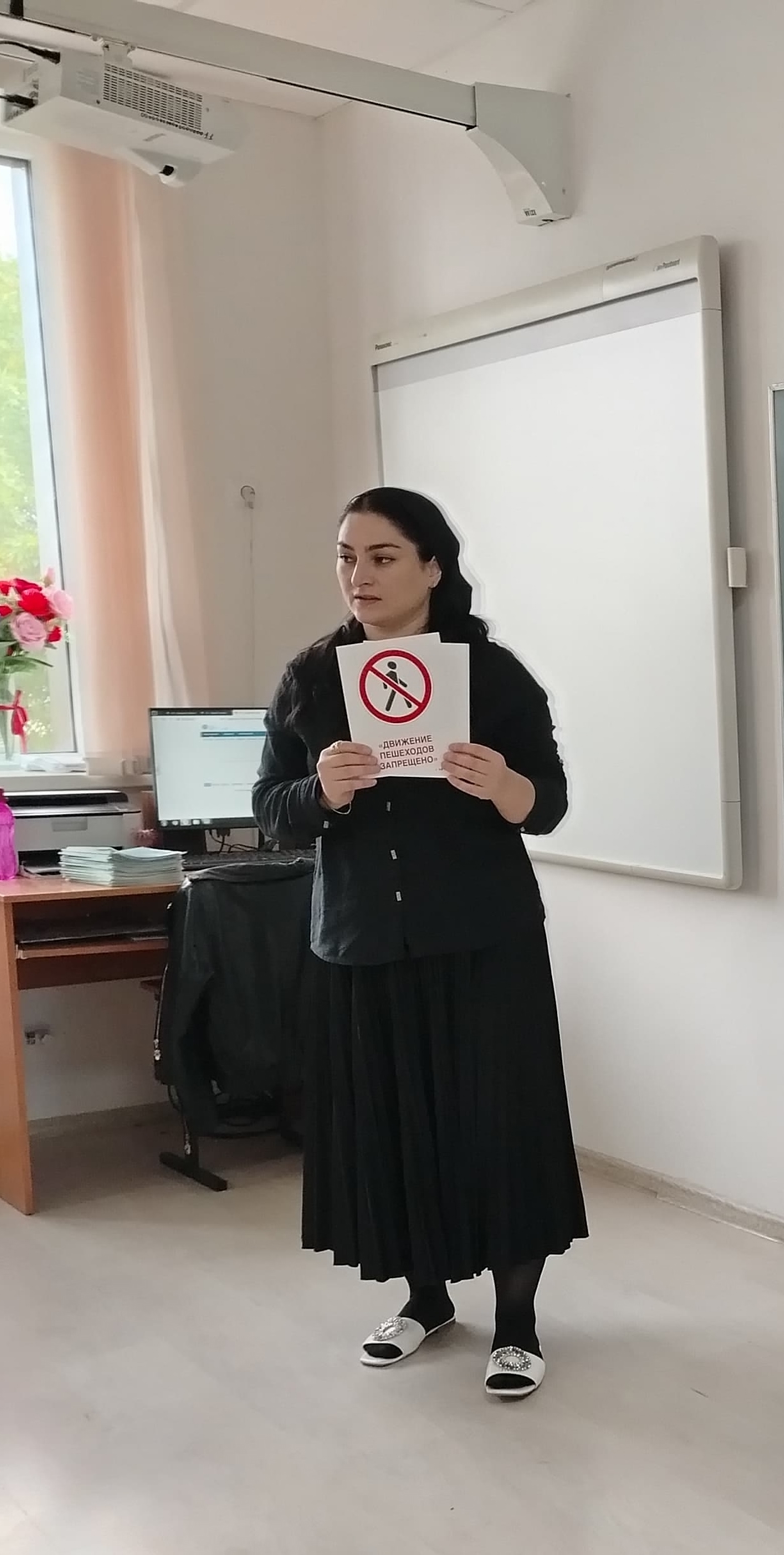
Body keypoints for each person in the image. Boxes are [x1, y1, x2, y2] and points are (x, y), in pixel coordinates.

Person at [253, 488, 586, 1399]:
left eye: (383, 556)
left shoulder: (492, 676)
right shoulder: (312, 678)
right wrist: (319, 791)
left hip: (484, 943)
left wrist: (504, 785)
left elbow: (549, 803)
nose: (359, 575)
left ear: (433, 567)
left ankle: (516, 1324)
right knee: (393, 1127)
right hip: (364, 941)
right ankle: (425, 1299)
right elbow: (271, 808)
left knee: (498, 1124)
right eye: (346, 557)